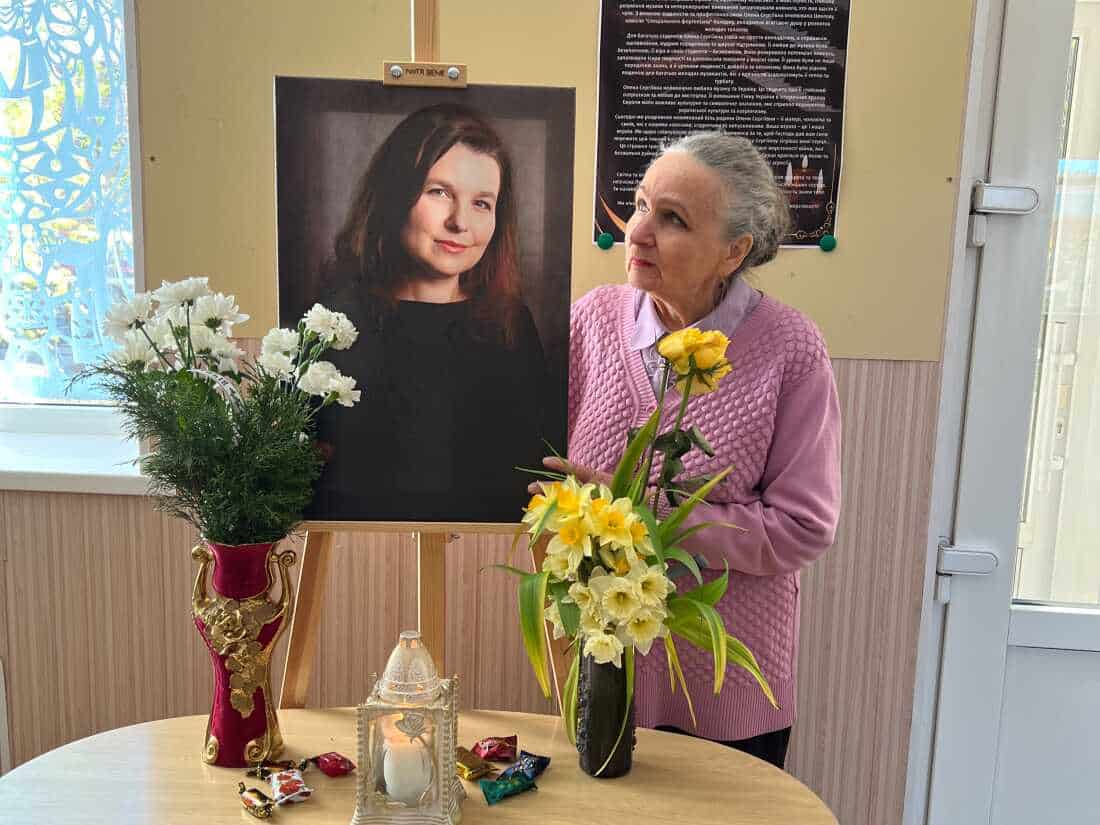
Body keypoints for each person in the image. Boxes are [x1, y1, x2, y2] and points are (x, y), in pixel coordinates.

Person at [545, 133, 841, 769]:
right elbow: (537, 460)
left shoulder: (790, 349)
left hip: (723, 693)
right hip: (602, 670)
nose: (639, 232)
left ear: (733, 252)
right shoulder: (592, 321)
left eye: (672, 219)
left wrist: (649, 518)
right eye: (642, 203)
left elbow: (802, 529)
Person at [306, 103, 559, 523]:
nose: (460, 222)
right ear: (396, 195)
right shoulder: (335, 319)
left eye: (482, 203)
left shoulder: (511, 323)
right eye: (439, 192)